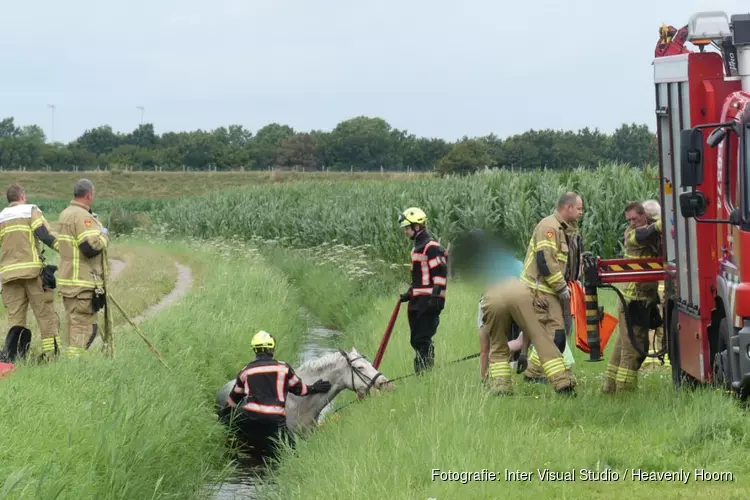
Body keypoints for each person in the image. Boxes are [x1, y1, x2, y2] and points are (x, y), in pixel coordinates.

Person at [220, 330, 332, 459]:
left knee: (225, 423)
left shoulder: (246, 371)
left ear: (255, 350)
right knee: (291, 452)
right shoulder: (284, 368)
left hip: (251, 419)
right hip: (275, 421)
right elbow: (300, 390)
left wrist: (223, 416)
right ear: (272, 349)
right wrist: (314, 387)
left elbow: (233, 399)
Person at [518, 192, 584, 383]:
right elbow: (545, 261)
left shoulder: (565, 229)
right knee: (556, 334)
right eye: (578, 208)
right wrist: (562, 287)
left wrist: (575, 280)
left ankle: (534, 373)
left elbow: (567, 260)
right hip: (541, 290)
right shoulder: (549, 227)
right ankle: (537, 375)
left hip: (550, 290)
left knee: (552, 334)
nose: (581, 213)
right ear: (567, 207)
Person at [603, 202, 663, 393]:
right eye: (629, 220)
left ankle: (609, 387)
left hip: (637, 299)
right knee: (635, 348)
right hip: (633, 301)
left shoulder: (649, 228)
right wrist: (668, 222)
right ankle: (625, 391)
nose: (632, 222)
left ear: (644, 216)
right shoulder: (632, 234)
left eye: (635, 219)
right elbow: (645, 235)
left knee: (622, 345)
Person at [479, 278, 575, 395]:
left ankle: (501, 387)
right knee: (542, 340)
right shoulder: (521, 275)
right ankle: (563, 383)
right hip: (520, 294)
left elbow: (484, 349)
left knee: (497, 346)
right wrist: (524, 353)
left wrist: (483, 378)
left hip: (492, 299)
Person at [0, 184, 61, 362]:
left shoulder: (1, 217)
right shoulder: (30, 211)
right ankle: (51, 355)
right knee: (45, 315)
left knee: (16, 319)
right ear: (22, 196)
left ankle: (15, 357)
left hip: (9, 277)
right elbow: (44, 234)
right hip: (33, 274)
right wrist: (67, 253)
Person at [56, 179, 110, 359]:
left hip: (67, 281)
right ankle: (74, 365)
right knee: (83, 326)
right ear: (89, 195)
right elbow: (90, 249)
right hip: (82, 283)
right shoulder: (83, 217)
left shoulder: (65, 214)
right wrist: (104, 236)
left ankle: (72, 360)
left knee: (73, 324)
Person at [397, 207, 448, 374]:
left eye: (407, 228)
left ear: (417, 227)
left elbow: (440, 273)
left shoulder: (431, 247)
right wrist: (409, 293)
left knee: (422, 339)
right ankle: (422, 370)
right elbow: (419, 279)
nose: (405, 232)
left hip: (428, 302)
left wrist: (435, 297)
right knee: (415, 340)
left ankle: (424, 372)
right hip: (417, 302)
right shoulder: (416, 249)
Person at [640, 199, 669, 370]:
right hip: (655, 287)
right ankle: (655, 361)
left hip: (657, 286)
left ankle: (656, 360)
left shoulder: (647, 232)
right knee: (657, 323)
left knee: (656, 323)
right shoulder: (648, 233)